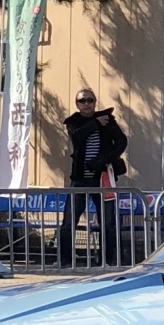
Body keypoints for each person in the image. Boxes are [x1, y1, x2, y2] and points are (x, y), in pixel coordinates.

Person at [59, 87, 129, 267]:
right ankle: (65, 260)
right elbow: (77, 137)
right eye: (83, 101)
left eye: (90, 100)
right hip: (80, 179)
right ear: (77, 104)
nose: (87, 104)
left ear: (95, 102)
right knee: (69, 222)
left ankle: (108, 260)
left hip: (103, 178)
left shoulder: (108, 120)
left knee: (108, 223)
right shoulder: (74, 121)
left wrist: (106, 159)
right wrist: (96, 123)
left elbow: (122, 141)